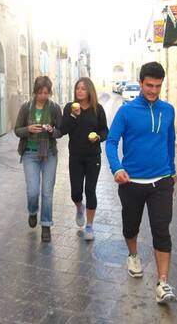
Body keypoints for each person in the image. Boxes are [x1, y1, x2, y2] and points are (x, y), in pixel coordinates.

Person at [106, 62, 177, 304]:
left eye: (158, 86)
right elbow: (111, 142)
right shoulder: (126, 112)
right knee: (131, 226)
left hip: (162, 181)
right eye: (149, 85)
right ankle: (133, 254)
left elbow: (169, 143)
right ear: (141, 82)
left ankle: (163, 283)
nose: (154, 91)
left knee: (162, 231)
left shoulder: (168, 110)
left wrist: (173, 171)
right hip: (132, 182)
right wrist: (117, 168)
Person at [14, 76, 62, 242]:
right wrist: (28, 129)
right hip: (30, 154)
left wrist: (51, 131)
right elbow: (17, 130)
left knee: (47, 192)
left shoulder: (55, 108)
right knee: (33, 191)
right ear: (35, 92)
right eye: (40, 92)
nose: (43, 96)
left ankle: (46, 225)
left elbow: (60, 132)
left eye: (46, 93)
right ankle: (33, 211)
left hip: (49, 153)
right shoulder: (26, 107)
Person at [60, 77, 108, 241]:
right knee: (75, 192)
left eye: (83, 88)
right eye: (77, 88)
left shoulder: (97, 109)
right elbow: (63, 129)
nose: (79, 91)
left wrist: (98, 138)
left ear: (89, 91)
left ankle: (89, 225)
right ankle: (79, 207)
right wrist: (74, 116)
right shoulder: (69, 108)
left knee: (90, 191)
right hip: (75, 156)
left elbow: (104, 131)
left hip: (93, 156)